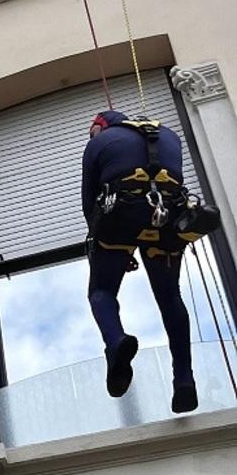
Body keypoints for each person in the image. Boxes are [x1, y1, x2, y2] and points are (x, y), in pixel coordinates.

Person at [83, 109, 200, 412]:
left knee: (101, 291)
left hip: (120, 216)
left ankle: (116, 342)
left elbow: (89, 202)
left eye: (92, 129)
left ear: (102, 124)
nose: (90, 135)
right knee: (170, 296)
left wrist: (113, 250)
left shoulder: (100, 142)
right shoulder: (169, 135)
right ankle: (184, 380)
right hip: (168, 219)